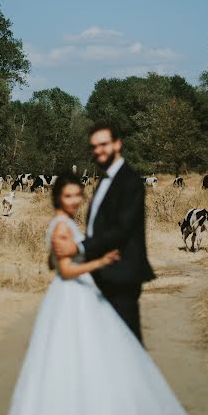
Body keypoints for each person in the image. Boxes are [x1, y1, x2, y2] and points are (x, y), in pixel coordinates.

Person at [0, 173, 193, 415]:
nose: (75, 200)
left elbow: (51, 262)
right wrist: (100, 262)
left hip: (80, 291)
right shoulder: (62, 226)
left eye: (78, 195)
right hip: (71, 294)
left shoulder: (61, 224)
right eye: (68, 195)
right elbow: (64, 270)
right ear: (57, 197)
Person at [52, 121, 154, 342]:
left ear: (117, 144)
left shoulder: (129, 181)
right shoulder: (106, 180)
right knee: (107, 344)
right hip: (101, 273)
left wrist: (78, 247)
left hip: (120, 272)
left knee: (128, 345)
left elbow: (122, 229)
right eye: (94, 146)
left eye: (104, 144)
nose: (98, 150)